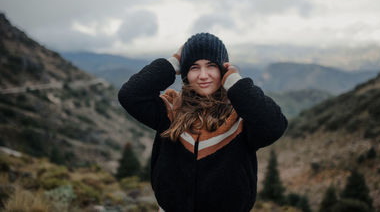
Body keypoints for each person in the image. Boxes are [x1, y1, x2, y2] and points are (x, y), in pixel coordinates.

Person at [118, 33, 288, 212]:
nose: (203, 75)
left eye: (211, 66)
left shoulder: (241, 118)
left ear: (223, 70)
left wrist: (237, 85)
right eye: (194, 67)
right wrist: (173, 63)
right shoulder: (169, 111)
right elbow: (130, 95)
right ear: (185, 73)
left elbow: (274, 126)